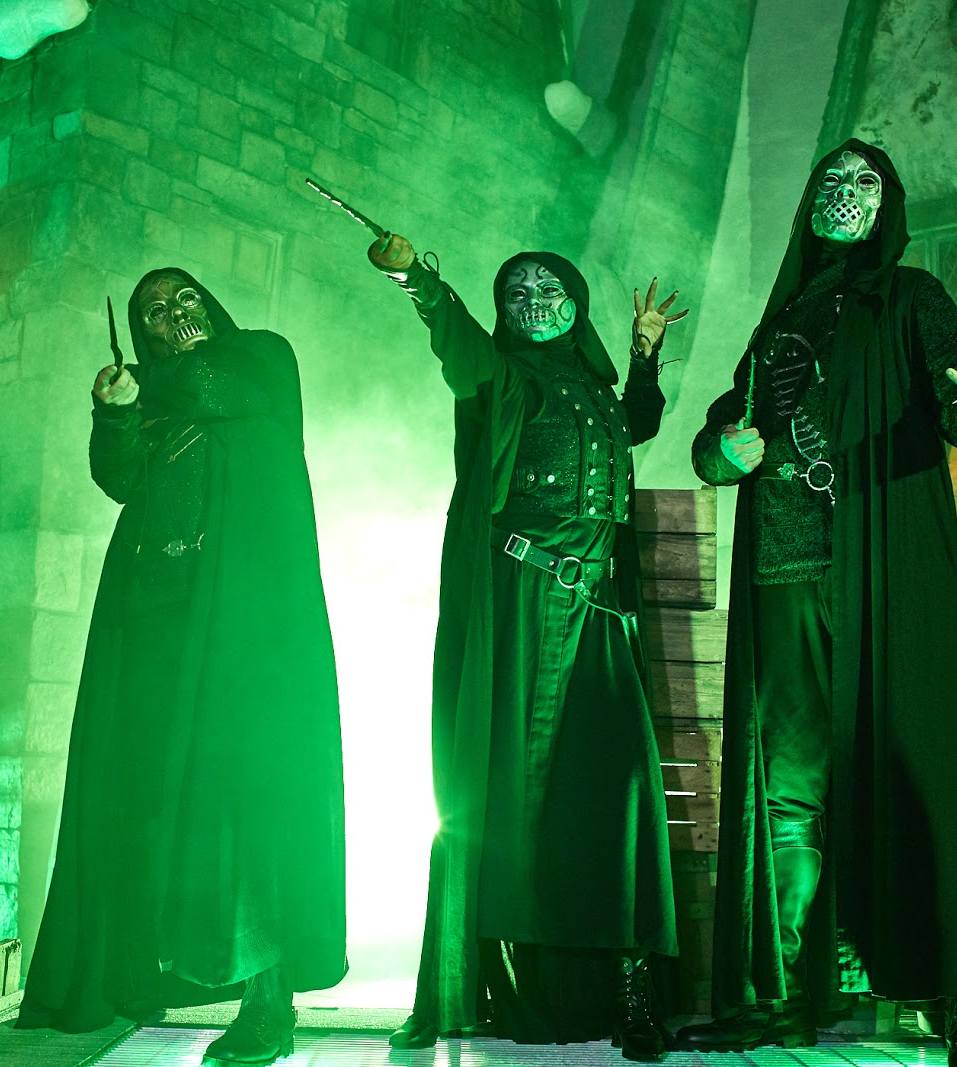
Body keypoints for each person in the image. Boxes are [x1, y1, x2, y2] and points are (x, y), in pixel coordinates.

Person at [675, 140, 957, 1067]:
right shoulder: (779, 323)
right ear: (810, 202)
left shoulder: (913, 297)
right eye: (831, 180)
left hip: (882, 572)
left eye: (864, 180)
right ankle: (779, 995)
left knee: (922, 774)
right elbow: (722, 426)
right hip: (784, 572)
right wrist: (722, 452)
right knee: (786, 789)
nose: (844, 192)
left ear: (889, 203)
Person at [18, 268, 346, 1067]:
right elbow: (119, 477)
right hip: (151, 618)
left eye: (185, 299)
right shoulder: (158, 399)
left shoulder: (262, 358)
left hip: (241, 622)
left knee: (249, 800)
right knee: (143, 794)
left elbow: (210, 382)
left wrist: (136, 386)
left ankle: (267, 1002)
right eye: (155, 313)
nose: (175, 316)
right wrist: (115, 414)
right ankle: (134, 973)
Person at [366, 235, 683, 1061]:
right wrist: (419, 281)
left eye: (551, 290)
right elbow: (461, 349)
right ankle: (478, 983)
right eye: (518, 292)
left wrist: (644, 351)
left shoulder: (597, 390)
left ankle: (626, 988)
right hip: (525, 605)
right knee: (507, 792)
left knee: (618, 790)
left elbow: (637, 422)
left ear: (577, 306)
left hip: (597, 612)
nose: (535, 301)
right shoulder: (502, 377)